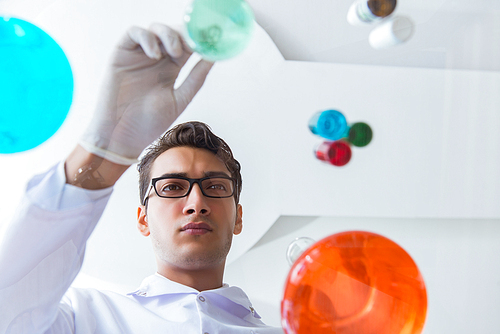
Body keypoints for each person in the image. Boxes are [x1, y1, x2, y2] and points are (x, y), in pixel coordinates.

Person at [0, 23, 283, 333]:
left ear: (238, 218)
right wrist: (105, 147)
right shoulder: (86, 318)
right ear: (143, 219)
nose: (196, 203)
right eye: (172, 187)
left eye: (215, 186)